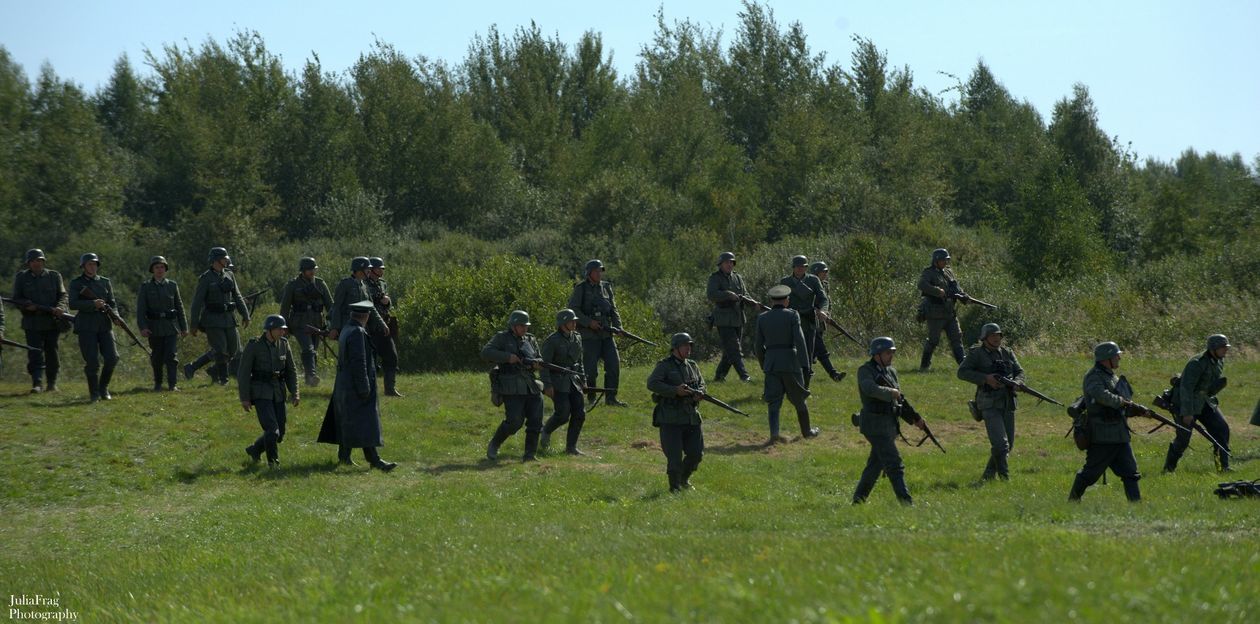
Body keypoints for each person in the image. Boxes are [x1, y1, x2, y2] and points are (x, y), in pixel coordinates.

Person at [318, 300, 396, 471]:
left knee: (351, 422)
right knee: (366, 423)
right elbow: (359, 362)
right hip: (355, 386)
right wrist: (364, 387)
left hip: (345, 385)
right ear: (366, 316)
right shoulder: (358, 333)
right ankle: (374, 461)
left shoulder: (347, 329)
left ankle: (346, 457)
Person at [852, 337, 926, 505]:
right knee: (894, 463)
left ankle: (858, 500)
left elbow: (900, 399)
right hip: (874, 425)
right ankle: (906, 502)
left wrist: (915, 418)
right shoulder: (865, 370)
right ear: (877, 354)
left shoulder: (890, 371)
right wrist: (889, 392)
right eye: (887, 353)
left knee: (874, 466)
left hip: (888, 425)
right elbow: (869, 388)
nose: (891, 356)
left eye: (892, 352)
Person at [1068, 342, 1142, 502]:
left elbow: (1121, 398)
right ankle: (1073, 500)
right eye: (1116, 355)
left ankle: (1136, 505)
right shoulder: (1093, 376)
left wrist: (1135, 409)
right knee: (1090, 473)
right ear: (1106, 358)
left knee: (1131, 472)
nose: (1119, 358)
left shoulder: (1112, 376)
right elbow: (1101, 395)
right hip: (1103, 434)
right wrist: (1121, 402)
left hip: (1120, 434)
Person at [957, 323, 1024, 481]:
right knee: (1001, 444)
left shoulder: (1007, 352)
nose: (996, 338)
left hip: (1008, 402)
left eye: (998, 335)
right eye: (992, 335)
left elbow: (1019, 371)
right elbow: (962, 372)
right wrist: (985, 378)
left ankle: (988, 476)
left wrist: (1017, 382)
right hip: (989, 403)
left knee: (1008, 445)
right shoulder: (976, 354)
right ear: (984, 338)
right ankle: (1005, 478)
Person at [753, 284, 817, 444]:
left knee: (773, 401)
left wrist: (764, 364)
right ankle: (807, 432)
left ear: (772, 300)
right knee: (799, 398)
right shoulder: (792, 315)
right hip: (790, 362)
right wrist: (805, 365)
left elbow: (758, 346)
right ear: (787, 300)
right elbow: (800, 341)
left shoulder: (762, 318)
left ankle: (774, 434)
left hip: (771, 363)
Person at [1164, 334, 1233, 473]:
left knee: (1222, 429)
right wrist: (1187, 413)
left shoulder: (1219, 360)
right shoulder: (1196, 363)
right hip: (1186, 403)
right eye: (1223, 347)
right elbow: (1186, 389)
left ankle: (1223, 467)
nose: (1226, 350)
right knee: (1183, 438)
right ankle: (1168, 469)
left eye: (1226, 347)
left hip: (1205, 402)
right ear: (1213, 348)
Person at [482, 310, 546, 461]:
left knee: (536, 421)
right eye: (521, 325)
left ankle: (530, 455)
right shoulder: (502, 338)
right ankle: (495, 444)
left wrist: (537, 364)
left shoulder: (530, 339)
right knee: (515, 422)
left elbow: (538, 357)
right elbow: (486, 352)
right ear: (513, 326)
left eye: (526, 325)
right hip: (511, 386)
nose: (525, 328)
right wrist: (507, 357)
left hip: (531, 385)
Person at [647, 333, 706, 493]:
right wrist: (674, 390)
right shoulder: (664, 366)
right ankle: (674, 488)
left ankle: (684, 479)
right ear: (675, 348)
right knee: (674, 457)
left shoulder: (692, 365)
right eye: (685, 346)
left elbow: (701, 384)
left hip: (691, 417)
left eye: (690, 345)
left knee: (696, 454)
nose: (688, 349)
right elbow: (652, 384)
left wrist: (699, 392)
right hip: (670, 418)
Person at [238, 315, 299, 468]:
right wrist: (244, 398)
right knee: (272, 430)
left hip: (278, 392)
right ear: (269, 329)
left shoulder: (284, 344)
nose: (283, 332)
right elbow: (243, 373)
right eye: (280, 329)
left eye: (284, 329)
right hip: (261, 392)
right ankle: (273, 462)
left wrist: (295, 392)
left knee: (280, 433)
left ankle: (255, 449)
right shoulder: (254, 345)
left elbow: (291, 371)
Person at [187, 247, 250, 385]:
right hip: (213, 320)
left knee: (234, 350)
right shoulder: (205, 278)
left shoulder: (229, 275)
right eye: (223, 258)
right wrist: (194, 325)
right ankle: (223, 380)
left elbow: (238, 296)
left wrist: (245, 315)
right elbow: (197, 303)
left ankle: (211, 371)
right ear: (216, 260)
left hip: (229, 319)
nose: (226, 261)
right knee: (221, 350)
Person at [568, 259, 626, 406]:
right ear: (589, 273)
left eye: (600, 271)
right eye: (596, 271)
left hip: (607, 335)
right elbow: (573, 309)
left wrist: (618, 327)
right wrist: (589, 322)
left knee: (613, 366)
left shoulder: (606, 287)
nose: (599, 274)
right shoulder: (581, 288)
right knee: (590, 370)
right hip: (589, 336)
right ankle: (591, 397)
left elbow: (613, 309)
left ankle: (611, 398)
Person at [11, 248, 69, 393]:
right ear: (28, 263)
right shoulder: (22, 277)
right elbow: (16, 299)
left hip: (51, 322)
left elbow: (63, 295)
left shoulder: (54, 276)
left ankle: (52, 383)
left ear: (43, 262)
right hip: (32, 322)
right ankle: (37, 383)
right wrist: (26, 307)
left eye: (39, 260)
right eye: (33, 261)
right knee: (34, 353)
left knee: (52, 353)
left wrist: (60, 308)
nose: (36, 263)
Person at [68, 253, 120, 401]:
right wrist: (92, 304)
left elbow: (112, 303)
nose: (92, 267)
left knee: (112, 358)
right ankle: (94, 393)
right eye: (89, 264)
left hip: (104, 325)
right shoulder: (76, 283)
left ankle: (103, 388)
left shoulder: (105, 282)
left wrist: (115, 316)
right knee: (92, 362)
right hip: (86, 325)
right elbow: (72, 304)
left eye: (94, 264)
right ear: (83, 266)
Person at [540, 309, 589, 455]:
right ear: (562, 323)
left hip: (574, 381)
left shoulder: (577, 337)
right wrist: (547, 385)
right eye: (571, 321)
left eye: (575, 321)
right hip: (558, 382)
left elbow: (580, 361)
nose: (574, 323)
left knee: (580, 414)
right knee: (562, 414)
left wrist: (583, 380)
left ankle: (571, 448)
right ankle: (546, 431)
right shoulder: (552, 341)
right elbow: (544, 365)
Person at [278, 256, 333, 387]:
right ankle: (312, 376)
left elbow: (330, 305)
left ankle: (309, 378)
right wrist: (283, 326)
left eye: (314, 269)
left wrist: (333, 323)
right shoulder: (293, 285)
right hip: (299, 323)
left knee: (313, 350)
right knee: (308, 349)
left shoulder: (320, 283)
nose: (312, 272)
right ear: (303, 271)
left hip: (317, 322)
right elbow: (285, 307)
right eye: (309, 270)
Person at [136, 255, 188, 392]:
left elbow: (179, 307)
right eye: (157, 267)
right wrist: (143, 327)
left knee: (171, 356)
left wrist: (184, 327)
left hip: (171, 326)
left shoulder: (172, 285)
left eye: (162, 267)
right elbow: (141, 310)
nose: (160, 270)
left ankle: (172, 385)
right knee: (157, 357)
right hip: (154, 327)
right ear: (152, 270)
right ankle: (158, 384)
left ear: (165, 269)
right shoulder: (146, 287)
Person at [917, 248, 968, 371]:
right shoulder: (929, 273)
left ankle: (963, 366)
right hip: (935, 314)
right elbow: (921, 285)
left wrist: (964, 296)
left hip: (950, 313)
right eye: (943, 260)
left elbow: (956, 288)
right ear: (936, 260)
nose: (946, 262)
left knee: (957, 338)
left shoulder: (949, 272)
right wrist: (937, 291)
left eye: (947, 260)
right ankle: (924, 366)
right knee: (933, 340)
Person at [779, 255, 827, 388]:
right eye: (798, 267)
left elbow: (823, 298)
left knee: (808, 356)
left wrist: (823, 310)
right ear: (793, 267)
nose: (800, 269)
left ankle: (805, 387)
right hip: (790, 322)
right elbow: (779, 300)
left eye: (803, 267)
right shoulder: (785, 281)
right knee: (789, 354)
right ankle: (789, 384)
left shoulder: (813, 280)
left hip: (808, 322)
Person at [706, 251, 753, 383]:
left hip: (738, 318)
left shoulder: (737, 277)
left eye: (732, 262)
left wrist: (753, 303)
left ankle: (719, 376)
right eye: (727, 262)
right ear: (720, 264)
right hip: (723, 319)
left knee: (729, 351)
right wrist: (727, 294)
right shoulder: (715, 278)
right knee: (734, 349)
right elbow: (711, 294)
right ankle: (744, 376)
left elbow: (745, 294)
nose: (729, 265)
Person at [365, 256, 403, 397]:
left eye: (382, 268)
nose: (382, 271)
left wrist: (387, 301)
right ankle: (368, 390)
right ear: (372, 269)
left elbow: (387, 303)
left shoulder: (382, 284)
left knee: (392, 357)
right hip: (370, 327)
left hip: (384, 326)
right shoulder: (363, 284)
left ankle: (390, 389)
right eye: (379, 268)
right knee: (371, 361)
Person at [328, 257, 387, 341]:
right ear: (359, 270)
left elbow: (371, 307)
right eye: (367, 269)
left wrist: (382, 324)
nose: (369, 271)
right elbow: (336, 307)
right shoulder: (345, 284)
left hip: (362, 326)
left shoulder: (364, 286)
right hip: (347, 326)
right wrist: (334, 328)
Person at [808, 261, 847, 383]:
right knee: (820, 349)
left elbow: (828, 302)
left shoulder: (825, 285)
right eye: (823, 272)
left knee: (813, 350)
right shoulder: (808, 285)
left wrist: (827, 314)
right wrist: (817, 311)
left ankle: (807, 371)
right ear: (816, 273)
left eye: (826, 271)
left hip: (821, 323)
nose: (825, 274)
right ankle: (833, 374)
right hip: (809, 322)